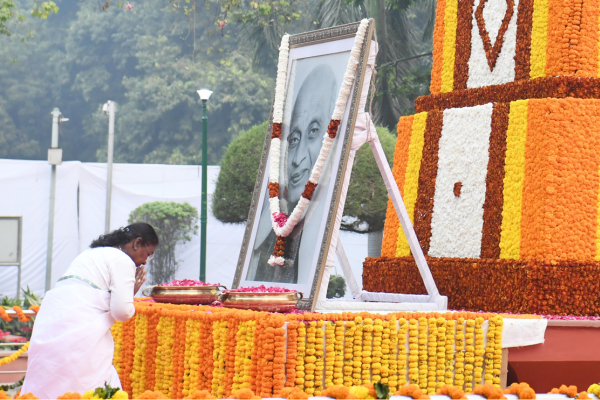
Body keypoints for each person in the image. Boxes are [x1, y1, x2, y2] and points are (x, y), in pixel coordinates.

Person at [21, 223, 158, 399]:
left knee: (49, 383)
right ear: (137, 243)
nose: (146, 261)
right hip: (81, 335)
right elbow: (122, 312)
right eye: (149, 254)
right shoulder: (122, 259)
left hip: (50, 326)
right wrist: (129, 295)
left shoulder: (90, 253)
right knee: (93, 386)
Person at [248, 64, 337, 283]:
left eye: (314, 131)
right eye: (294, 139)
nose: (296, 159)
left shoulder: (323, 216)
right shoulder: (270, 223)